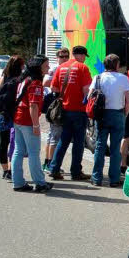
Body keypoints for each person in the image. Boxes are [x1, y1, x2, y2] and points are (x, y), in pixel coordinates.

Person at [48, 45, 93, 181]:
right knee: (79, 143)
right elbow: (87, 90)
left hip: (65, 110)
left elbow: (53, 87)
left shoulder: (61, 67)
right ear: (80, 55)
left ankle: (54, 168)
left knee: (63, 140)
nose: (85, 59)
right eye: (84, 56)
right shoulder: (83, 68)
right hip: (79, 110)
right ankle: (76, 172)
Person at [11, 56, 53, 193]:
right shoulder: (35, 83)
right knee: (34, 152)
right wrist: (36, 125)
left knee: (18, 151)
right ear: (39, 66)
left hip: (18, 118)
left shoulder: (24, 79)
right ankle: (40, 183)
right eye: (46, 65)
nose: (48, 67)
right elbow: (33, 106)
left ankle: (17, 182)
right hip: (28, 121)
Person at [90, 54, 129, 187]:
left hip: (101, 115)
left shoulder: (97, 77)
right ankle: (114, 179)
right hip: (118, 114)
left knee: (100, 146)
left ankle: (96, 178)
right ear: (117, 65)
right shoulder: (123, 78)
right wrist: (125, 113)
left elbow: (90, 96)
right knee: (115, 148)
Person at [0, 55, 24, 180]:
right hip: (14, 114)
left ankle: (5, 170)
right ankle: (12, 169)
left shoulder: (2, 78)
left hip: (2, 114)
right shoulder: (19, 80)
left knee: (3, 143)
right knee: (15, 143)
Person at [42, 48, 70, 171]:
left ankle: (47, 162)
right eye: (61, 56)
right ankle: (51, 164)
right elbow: (46, 82)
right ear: (57, 57)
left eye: (66, 56)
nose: (64, 58)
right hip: (56, 106)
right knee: (55, 136)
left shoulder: (63, 68)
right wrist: (58, 85)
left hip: (56, 105)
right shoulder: (55, 69)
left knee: (51, 135)